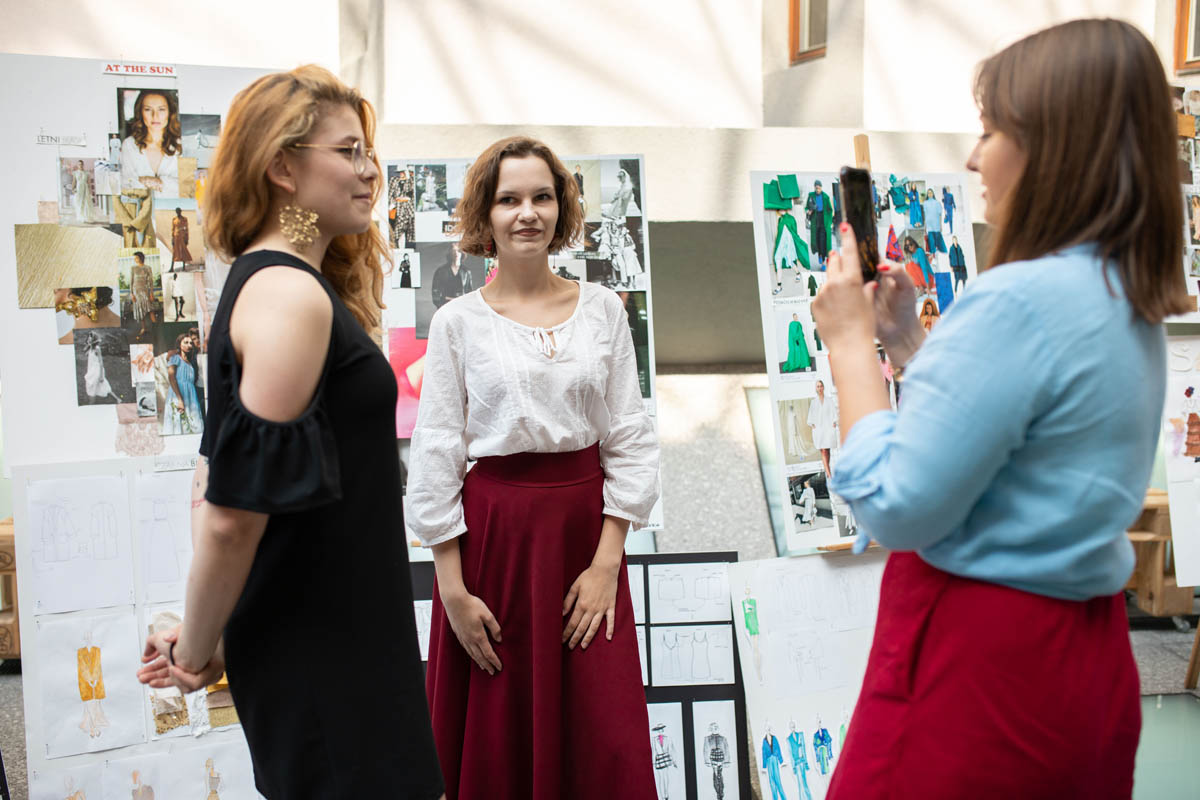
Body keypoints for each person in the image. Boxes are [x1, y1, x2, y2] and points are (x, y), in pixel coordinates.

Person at [811, 19, 1189, 798]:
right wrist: (907, 346)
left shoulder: (1018, 299)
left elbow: (897, 503)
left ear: (1055, 146)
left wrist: (849, 345)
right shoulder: (1125, 293)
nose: (973, 158)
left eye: (990, 131)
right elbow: (1023, 441)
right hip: (1084, 658)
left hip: (980, 668)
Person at [134, 65, 444, 800]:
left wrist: (205, 631)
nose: (369, 170)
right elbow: (230, 516)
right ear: (282, 167)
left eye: (369, 151)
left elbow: (216, 476)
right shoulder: (286, 294)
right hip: (326, 658)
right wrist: (199, 648)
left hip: (345, 644)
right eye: (348, 151)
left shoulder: (281, 284)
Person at [408, 136, 659, 799]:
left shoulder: (604, 310)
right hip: (493, 549)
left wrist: (607, 566)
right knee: (502, 735)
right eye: (509, 199)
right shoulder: (457, 323)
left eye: (542, 197)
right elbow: (436, 452)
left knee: (602, 735)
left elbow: (629, 438)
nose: (528, 213)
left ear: (561, 207)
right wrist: (452, 592)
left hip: (585, 544)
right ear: (485, 215)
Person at [121, 89, 182, 198]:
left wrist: (157, 182)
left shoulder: (181, 144)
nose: (155, 116)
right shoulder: (129, 145)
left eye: (161, 109)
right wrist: (167, 185)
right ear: (140, 112)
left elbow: (187, 186)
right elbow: (126, 185)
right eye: (148, 109)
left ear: (170, 112)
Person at [162, 332, 202, 434]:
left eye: (191, 343)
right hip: (179, 393)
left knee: (194, 423)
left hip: (190, 395)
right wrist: (179, 400)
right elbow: (171, 378)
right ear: (179, 344)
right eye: (185, 342)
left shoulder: (190, 362)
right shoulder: (175, 358)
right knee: (179, 423)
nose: (189, 345)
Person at [807, 379, 837, 477]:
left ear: (823, 387)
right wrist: (813, 425)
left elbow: (834, 412)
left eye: (821, 386)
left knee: (827, 450)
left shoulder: (829, 400)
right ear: (816, 388)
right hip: (819, 429)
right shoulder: (813, 402)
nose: (819, 388)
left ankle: (827, 470)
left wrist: (834, 421)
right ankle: (829, 474)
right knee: (823, 450)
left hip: (828, 428)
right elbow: (810, 415)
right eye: (818, 386)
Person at [127, 251, 157, 339]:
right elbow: (131, 282)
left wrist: (151, 294)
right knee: (140, 310)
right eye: (135, 258)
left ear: (141, 258)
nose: (135, 259)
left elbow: (150, 282)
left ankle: (156, 328)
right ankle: (143, 328)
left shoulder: (148, 268)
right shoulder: (133, 268)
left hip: (145, 291)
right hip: (136, 292)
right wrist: (131, 294)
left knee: (150, 309)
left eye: (136, 257)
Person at [805, 180, 833, 269]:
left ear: (821, 187)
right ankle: (820, 256)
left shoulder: (825, 197)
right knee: (817, 241)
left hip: (824, 221)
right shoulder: (811, 196)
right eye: (816, 188)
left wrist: (829, 221)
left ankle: (823, 263)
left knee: (823, 242)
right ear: (814, 187)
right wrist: (808, 211)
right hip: (815, 221)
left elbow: (830, 210)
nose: (817, 190)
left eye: (819, 188)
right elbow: (806, 207)